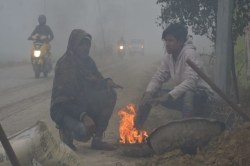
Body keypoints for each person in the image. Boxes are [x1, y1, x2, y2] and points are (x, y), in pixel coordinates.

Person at [50, 29, 122, 151]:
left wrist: (106, 82)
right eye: (81, 45)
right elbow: (63, 102)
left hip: (82, 103)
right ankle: (66, 132)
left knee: (110, 94)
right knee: (84, 132)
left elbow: (97, 81)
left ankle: (98, 139)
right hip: (64, 110)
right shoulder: (65, 64)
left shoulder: (88, 62)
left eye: (87, 44)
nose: (85, 48)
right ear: (73, 45)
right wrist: (83, 116)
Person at [134, 23, 212, 129]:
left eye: (170, 40)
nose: (167, 44)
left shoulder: (190, 54)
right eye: (165, 40)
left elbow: (191, 82)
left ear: (180, 42)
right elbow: (158, 77)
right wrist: (149, 92)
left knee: (189, 93)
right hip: (182, 95)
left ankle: (186, 131)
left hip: (202, 98)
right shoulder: (169, 57)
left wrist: (168, 96)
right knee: (149, 94)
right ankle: (135, 130)